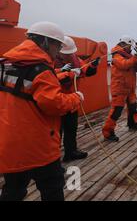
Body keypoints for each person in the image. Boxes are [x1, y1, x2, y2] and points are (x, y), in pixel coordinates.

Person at [0, 22, 83, 201]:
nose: (59, 50)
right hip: (37, 146)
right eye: (58, 45)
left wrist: (65, 74)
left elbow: (26, 87)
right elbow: (55, 104)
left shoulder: (5, 64)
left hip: (9, 143)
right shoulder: (42, 70)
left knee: (13, 191)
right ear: (45, 42)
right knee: (52, 189)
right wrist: (77, 97)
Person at [55, 36, 100, 162]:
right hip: (57, 101)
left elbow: (84, 69)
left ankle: (71, 152)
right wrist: (69, 73)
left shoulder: (75, 59)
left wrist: (93, 66)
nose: (69, 56)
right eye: (66, 54)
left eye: (71, 53)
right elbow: (50, 77)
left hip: (72, 101)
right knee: (56, 133)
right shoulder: (50, 60)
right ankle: (53, 160)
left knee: (71, 128)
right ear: (59, 51)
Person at [102, 35, 137, 142]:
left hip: (129, 88)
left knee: (133, 107)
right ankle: (108, 132)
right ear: (124, 45)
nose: (130, 48)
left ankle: (132, 124)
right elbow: (124, 65)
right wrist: (135, 57)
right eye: (129, 46)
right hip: (120, 88)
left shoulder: (127, 56)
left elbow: (135, 68)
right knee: (116, 111)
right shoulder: (116, 56)